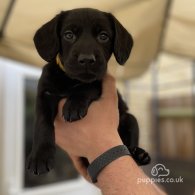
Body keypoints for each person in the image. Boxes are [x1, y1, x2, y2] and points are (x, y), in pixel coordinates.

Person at [54, 74, 166, 195]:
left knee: (130, 121)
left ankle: (132, 153)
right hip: (100, 157)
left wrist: (104, 149)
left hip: (117, 140)